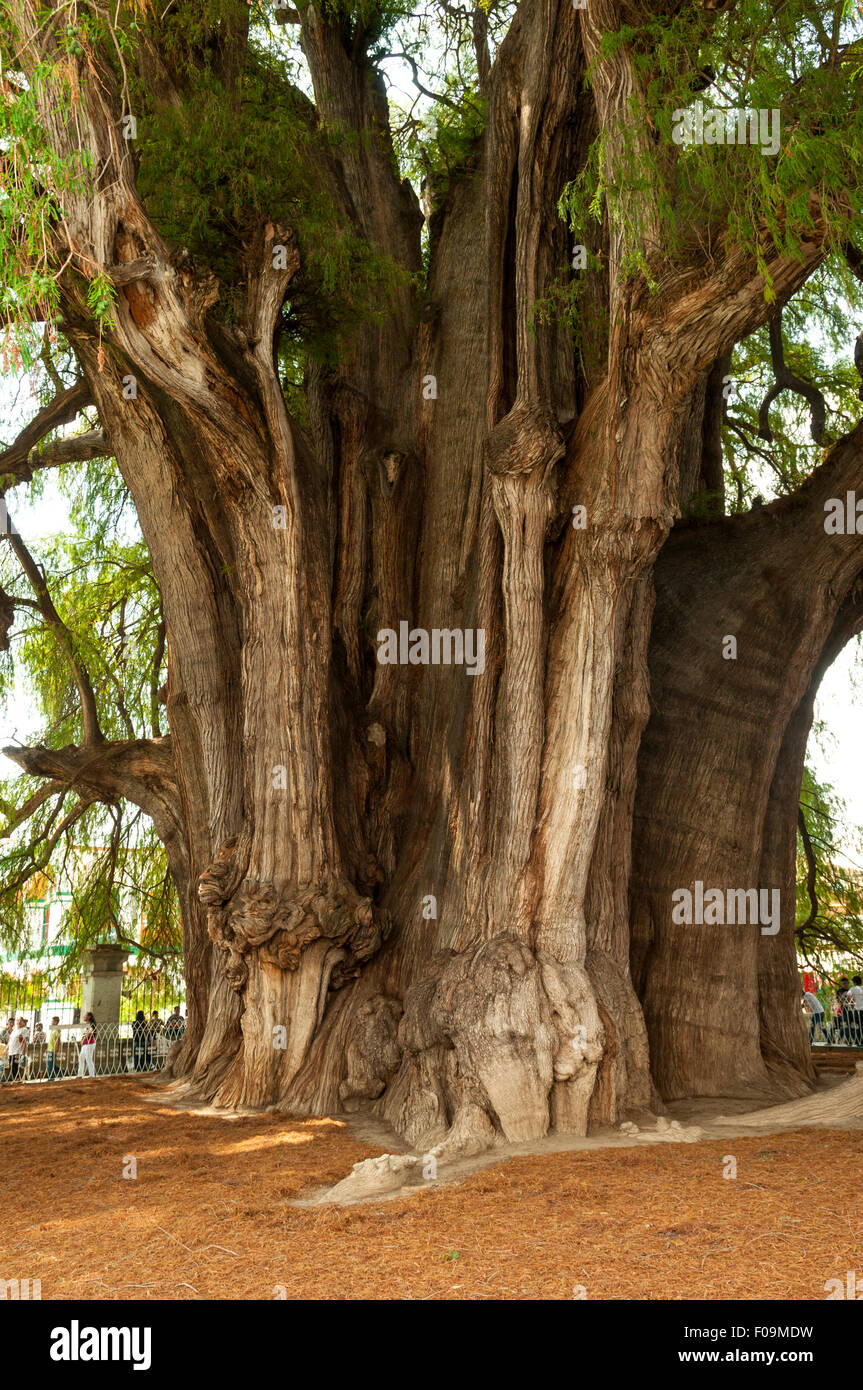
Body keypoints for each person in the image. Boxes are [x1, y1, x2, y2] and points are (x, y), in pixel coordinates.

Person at [6, 1016, 28, 1081]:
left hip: (17, 1051)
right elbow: (10, 1041)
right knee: (11, 1066)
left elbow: (24, 1042)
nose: (19, 1022)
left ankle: (17, 1079)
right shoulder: (15, 1030)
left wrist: (23, 1054)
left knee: (15, 1066)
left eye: (21, 1021)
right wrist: (6, 1049)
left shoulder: (24, 1029)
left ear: (24, 1023)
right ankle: (16, 1079)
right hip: (11, 1051)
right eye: (18, 1020)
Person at [77, 1012, 97, 1078]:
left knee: (88, 1058)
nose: (84, 1016)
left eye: (85, 1015)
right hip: (85, 1044)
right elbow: (85, 1033)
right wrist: (83, 1039)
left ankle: (92, 1075)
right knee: (81, 1058)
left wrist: (83, 1039)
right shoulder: (86, 1024)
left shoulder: (92, 1024)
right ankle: (80, 1074)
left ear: (89, 1017)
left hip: (90, 1043)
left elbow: (90, 1032)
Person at [846, 974, 863, 1045]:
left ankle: (858, 1041)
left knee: (857, 1026)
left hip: (857, 1010)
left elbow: (848, 996)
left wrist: (851, 1004)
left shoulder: (852, 989)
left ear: (855, 982)